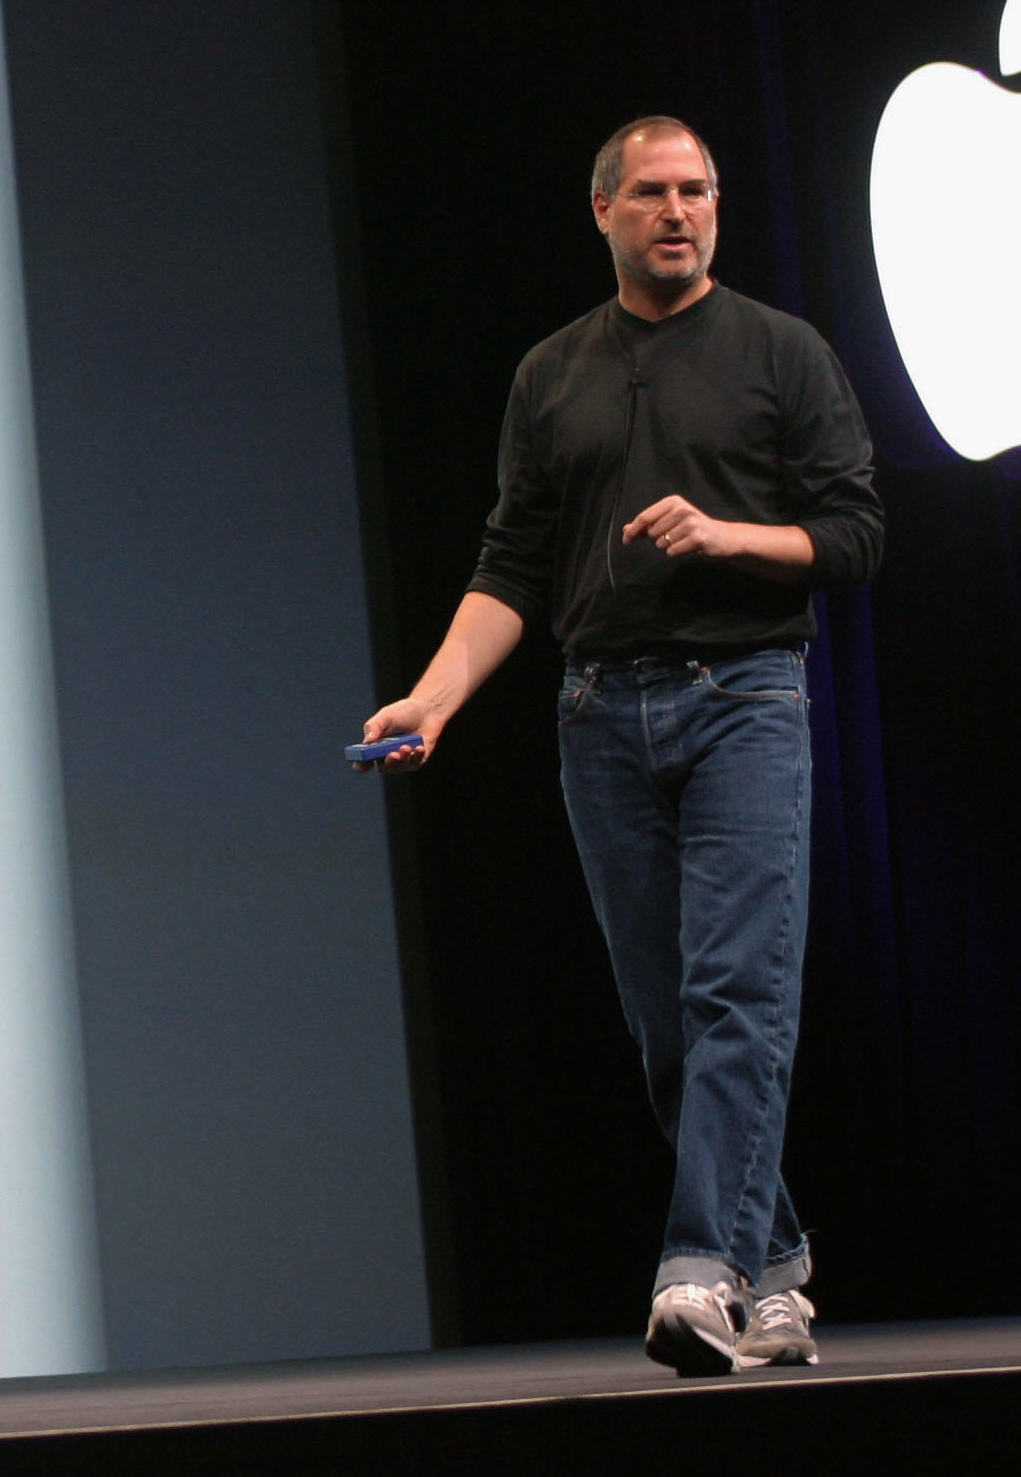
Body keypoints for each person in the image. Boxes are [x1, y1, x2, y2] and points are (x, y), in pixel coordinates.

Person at [357, 116, 882, 1376]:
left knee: (734, 994)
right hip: (598, 714)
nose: (676, 210)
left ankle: (698, 1269)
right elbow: (510, 565)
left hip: (743, 695)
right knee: (666, 1024)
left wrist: (726, 536)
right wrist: (430, 697)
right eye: (649, 191)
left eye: (695, 189)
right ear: (601, 210)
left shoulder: (779, 352)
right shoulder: (551, 373)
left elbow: (854, 535)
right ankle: (778, 1270)